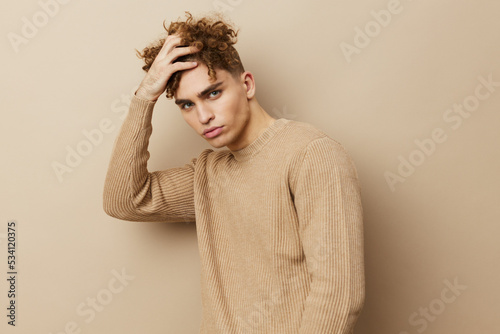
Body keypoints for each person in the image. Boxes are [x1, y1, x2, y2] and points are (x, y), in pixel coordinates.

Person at [103, 11, 365, 333]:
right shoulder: (207, 174)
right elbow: (124, 200)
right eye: (186, 105)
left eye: (213, 93)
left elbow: (339, 293)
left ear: (247, 84)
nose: (203, 116)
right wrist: (145, 97)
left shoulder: (311, 154)